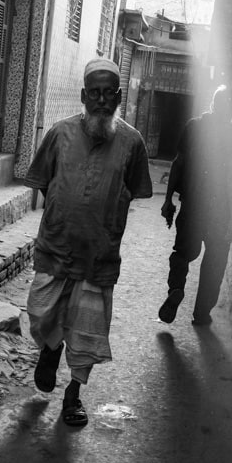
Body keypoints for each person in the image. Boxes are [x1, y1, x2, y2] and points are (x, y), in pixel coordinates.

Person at [24, 58, 152, 426]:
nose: (100, 101)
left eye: (107, 94)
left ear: (118, 96)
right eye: (93, 93)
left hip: (99, 257)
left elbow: (136, 191)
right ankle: (50, 349)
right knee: (41, 314)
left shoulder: (132, 143)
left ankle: (73, 394)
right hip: (55, 249)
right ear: (83, 95)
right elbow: (45, 183)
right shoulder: (59, 134)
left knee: (87, 333)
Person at [158, 84, 232, 326]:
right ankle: (202, 313)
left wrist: (167, 200)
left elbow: (178, 163)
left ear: (213, 104)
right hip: (220, 210)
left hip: (193, 205)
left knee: (182, 254)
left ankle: (176, 289)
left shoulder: (194, 126)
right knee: (214, 265)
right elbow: (231, 179)